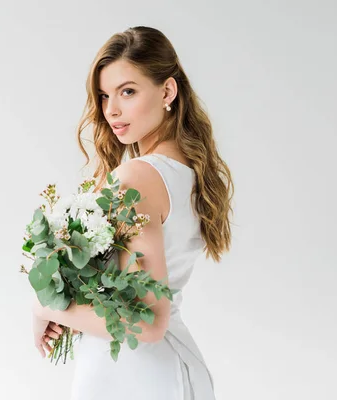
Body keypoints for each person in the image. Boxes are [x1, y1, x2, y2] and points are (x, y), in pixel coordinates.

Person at [32, 26, 234, 399]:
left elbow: (147, 321)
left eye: (128, 91)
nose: (111, 109)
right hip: (164, 370)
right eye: (105, 95)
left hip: (135, 377)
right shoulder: (188, 175)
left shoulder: (138, 177)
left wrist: (48, 306)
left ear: (168, 91)